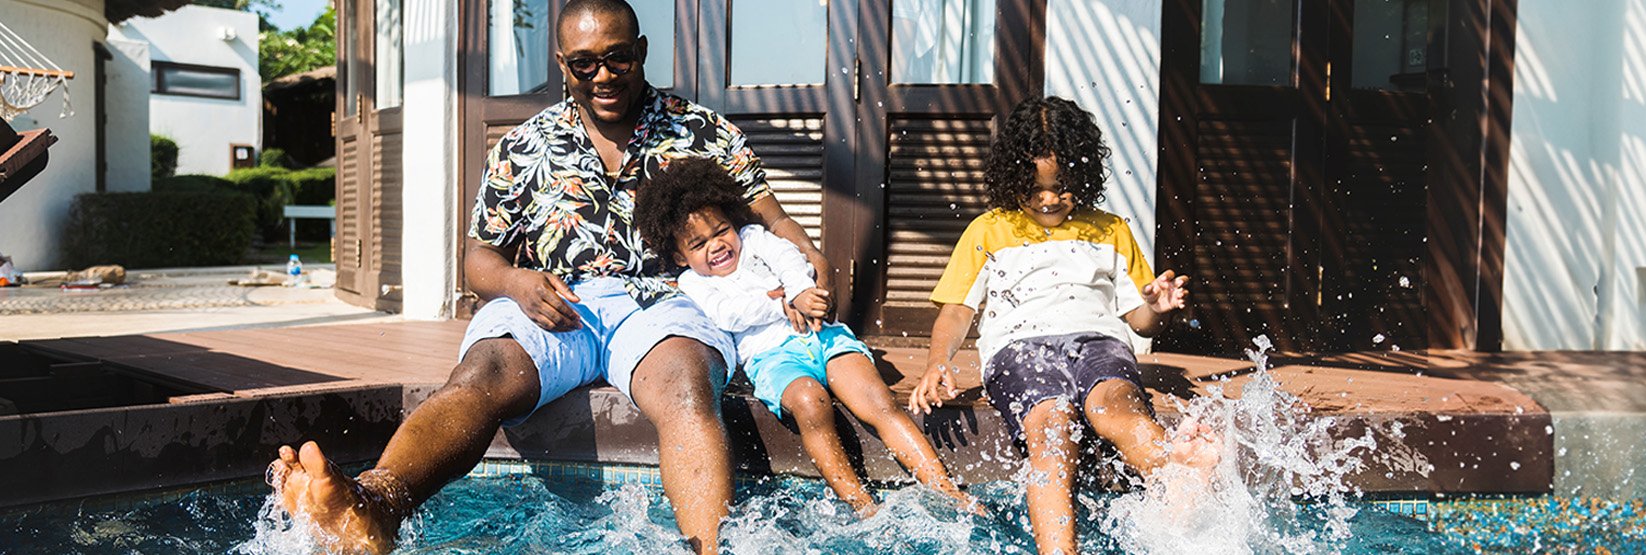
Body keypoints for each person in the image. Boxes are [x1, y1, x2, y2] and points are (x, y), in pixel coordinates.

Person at [265, 1, 827, 553]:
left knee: (686, 384)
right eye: (584, 64)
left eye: (618, 58)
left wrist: (809, 264)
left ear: (642, 52)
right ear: (563, 64)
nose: (602, 76)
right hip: (555, 304)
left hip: (664, 304)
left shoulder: (703, 132)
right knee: (482, 371)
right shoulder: (522, 147)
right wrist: (515, 283)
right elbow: (478, 257)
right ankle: (375, 509)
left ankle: (707, 549)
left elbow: (772, 219)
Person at [907, 96, 1218, 555]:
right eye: (1033, 186)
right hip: (1019, 350)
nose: (1049, 198)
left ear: (1084, 176)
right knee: (1051, 427)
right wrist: (938, 363)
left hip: (1098, 343)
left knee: (1117, 407)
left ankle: (1177, 467)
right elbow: (956, 312)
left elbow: (1139, 322)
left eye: (1062, 184)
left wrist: (1157, 307)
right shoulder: (988, 230)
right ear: (1011, 178)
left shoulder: (1109, 230)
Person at [634, 157, 981, 517]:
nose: (716, 245)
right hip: (772, 358)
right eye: (699, 243)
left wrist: (800, 289)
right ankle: (863, 505)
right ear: (679, 255)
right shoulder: (693, 282)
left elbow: (789, 258)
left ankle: (947, 490)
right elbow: (727, 314)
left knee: (877, 400)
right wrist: (782, 304)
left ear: (733, 222)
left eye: (721, 231)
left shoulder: (754, 238)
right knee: (808, 401)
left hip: (823, 338)